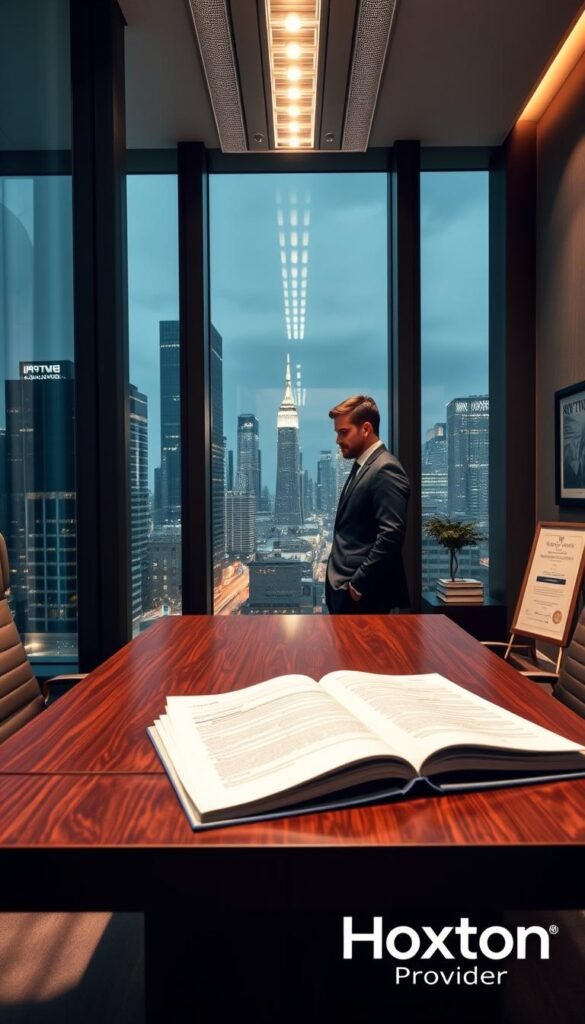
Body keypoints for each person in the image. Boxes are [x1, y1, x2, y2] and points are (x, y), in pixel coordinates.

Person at [326, 395, 410, 615]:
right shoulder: (363, 467)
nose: (337, 440)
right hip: (349, 593)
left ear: (365, 429)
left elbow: (391, 534)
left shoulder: (385, 469)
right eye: (337, 433)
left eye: (343, 432)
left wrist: (357, 585)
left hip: (365, 597)